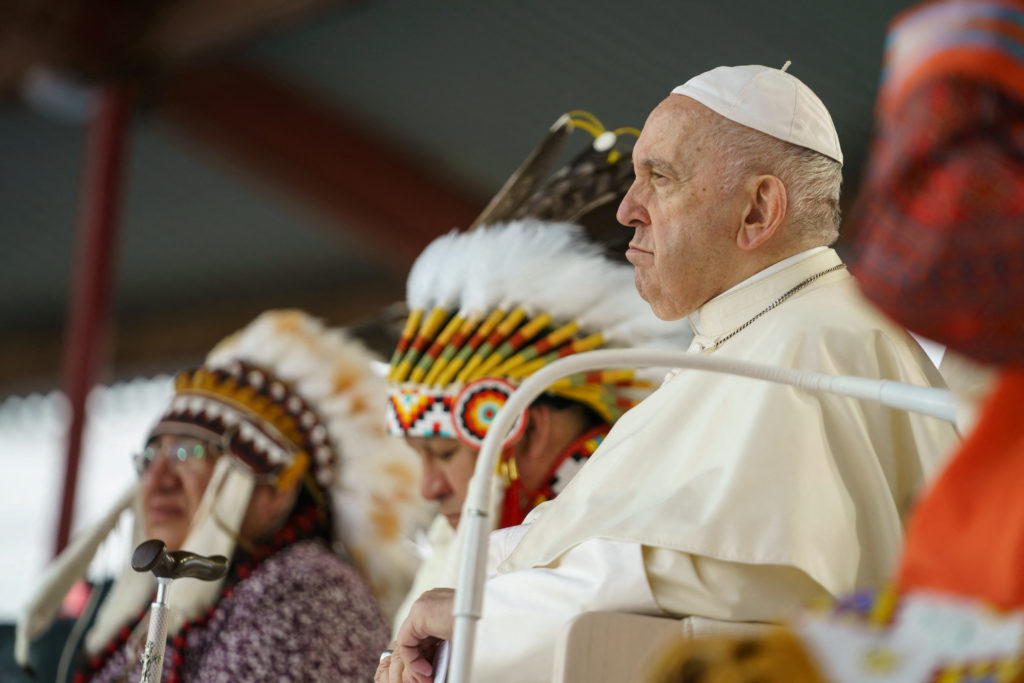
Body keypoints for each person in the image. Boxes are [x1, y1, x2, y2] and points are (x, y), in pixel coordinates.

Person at [380, 64, 960, 683]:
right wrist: (470, 603)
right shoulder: (737, 341)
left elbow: (738, 573)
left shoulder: (818, 342)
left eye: (660, 177)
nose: (628, 209)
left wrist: (484, 614)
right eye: (635, 177)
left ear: (758, 209)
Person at [644, 4, 1024, 680]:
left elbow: (753, 565)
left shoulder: (824, 338)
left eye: (963, 143)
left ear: (758, 209)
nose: (897, 216)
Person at [385, 112, 693, 631]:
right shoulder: (452, 543)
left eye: (444, 452)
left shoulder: (623, 527)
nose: (429, 488)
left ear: (527, 430)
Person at [16, 310, 432, 682]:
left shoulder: (312, 595)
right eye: (151, 456)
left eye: (189, 453)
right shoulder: (182, 606)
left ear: (276, 488)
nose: (157, 479)